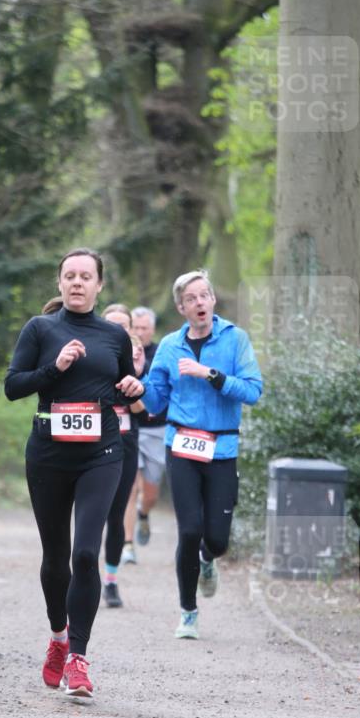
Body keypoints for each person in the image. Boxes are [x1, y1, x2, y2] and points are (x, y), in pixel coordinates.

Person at [4, 249, 138, 700]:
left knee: (85, 554)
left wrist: (134, 387)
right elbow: (12, 386)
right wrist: (54, 368)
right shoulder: (40, 329)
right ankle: (58, 638)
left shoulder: (114, 335)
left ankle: (79, 658)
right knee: (56, 557)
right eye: (69, 276)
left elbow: (126, 386)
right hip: (48, 456)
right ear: (60, 284)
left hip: (101, 453)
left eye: (86, 276)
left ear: (100, 285)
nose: (77, 282)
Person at [119, 269, 262, 640]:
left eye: (205, 296)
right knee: (189, 529)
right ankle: (188, 611)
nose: (200, 302)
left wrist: (209, 374)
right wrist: (138, 385)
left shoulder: (235, 340)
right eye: (191, 299)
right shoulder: (169, 345)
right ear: (181, 307)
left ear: (213, 300)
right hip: (180, 445)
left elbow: (252, 391)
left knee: (216, 539)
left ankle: (207, 559)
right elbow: (156, 400)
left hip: (222, 447)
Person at [100, 304, 145, 608]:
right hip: (92, 438)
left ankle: (111, 580)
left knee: (116, 514)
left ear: (130, 328)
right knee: (90, 513)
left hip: (125, 439)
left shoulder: (137, 355)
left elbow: (147, 410)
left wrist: (134, 392)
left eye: (123, 325)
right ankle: (83, 574)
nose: (117, 329)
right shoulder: (91, 351)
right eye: (111, 324)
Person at [122, 306, 167, 562]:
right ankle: (128, 544)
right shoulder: (122, 349)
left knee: (149, 494)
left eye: (144, 328)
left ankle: (143, 514)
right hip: (129, 426)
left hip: (156, 427)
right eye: (135, 327)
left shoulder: (162, 352)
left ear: (152, 329)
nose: (139, 332)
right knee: (130, 488)